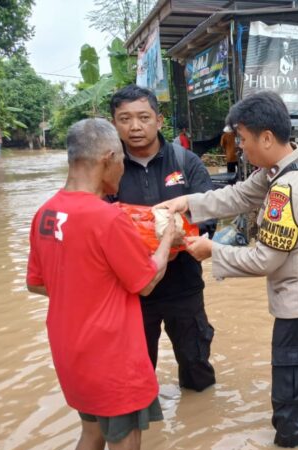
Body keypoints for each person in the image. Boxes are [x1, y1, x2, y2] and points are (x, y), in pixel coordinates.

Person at [158, 91, 298, 448]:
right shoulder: (290, 166)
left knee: (292, 413)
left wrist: (211, 252)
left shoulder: (286, 190)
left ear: (266, 137)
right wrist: (188, 202)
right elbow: (236, 196)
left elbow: (265, 259)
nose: (241, 148)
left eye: (243, 140)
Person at [26, 118, 175, 450]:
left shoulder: (44, 214)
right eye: (122, 161)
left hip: (70, 355)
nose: (124, 170)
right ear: (108, 158)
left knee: (90, 432)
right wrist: (167, 239)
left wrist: (82, 291)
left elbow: (37, 282)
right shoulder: (108, 218)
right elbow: (145, 282)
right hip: (112, 359)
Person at [110, 85, 216, 392]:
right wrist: (154, 237)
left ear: (159, 120)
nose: (135, 126)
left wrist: (172, 241)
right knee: (136, 377)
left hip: (183, 287)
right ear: (114, 123)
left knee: (197, 370)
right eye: (125, 119)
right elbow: (97, 227)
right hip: (132, 293)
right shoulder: (108, 167)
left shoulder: (186, 162)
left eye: (143, 117)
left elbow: (209, 217)